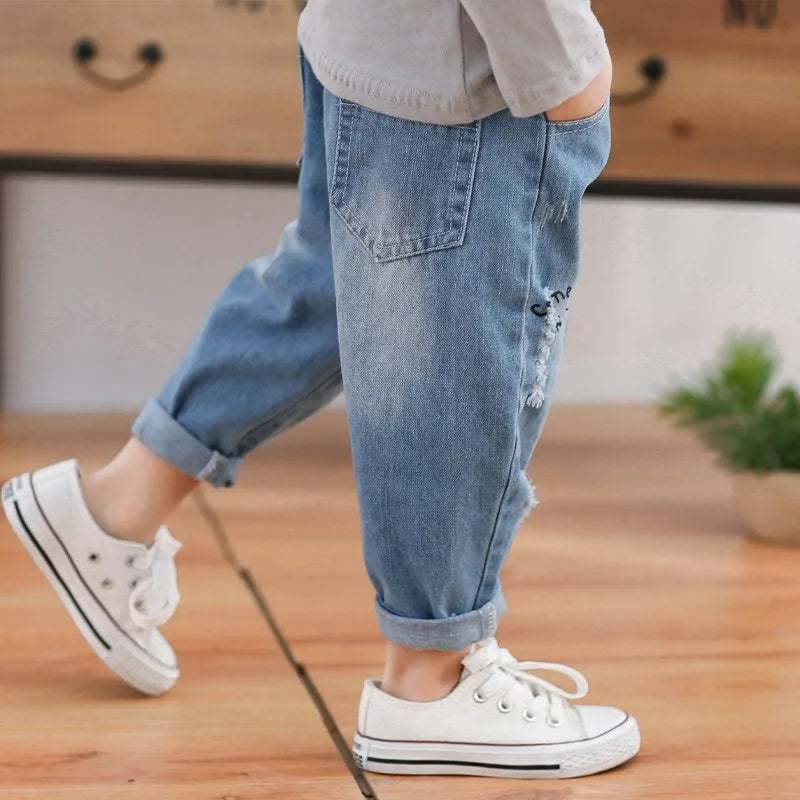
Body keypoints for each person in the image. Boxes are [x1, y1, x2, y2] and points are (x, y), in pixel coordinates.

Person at [1, 0, 640, 780]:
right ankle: (431, 678)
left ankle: (116, 507)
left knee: (341, 291)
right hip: (469, 71)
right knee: (451, 360)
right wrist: (561, 58)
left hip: (377, 37)